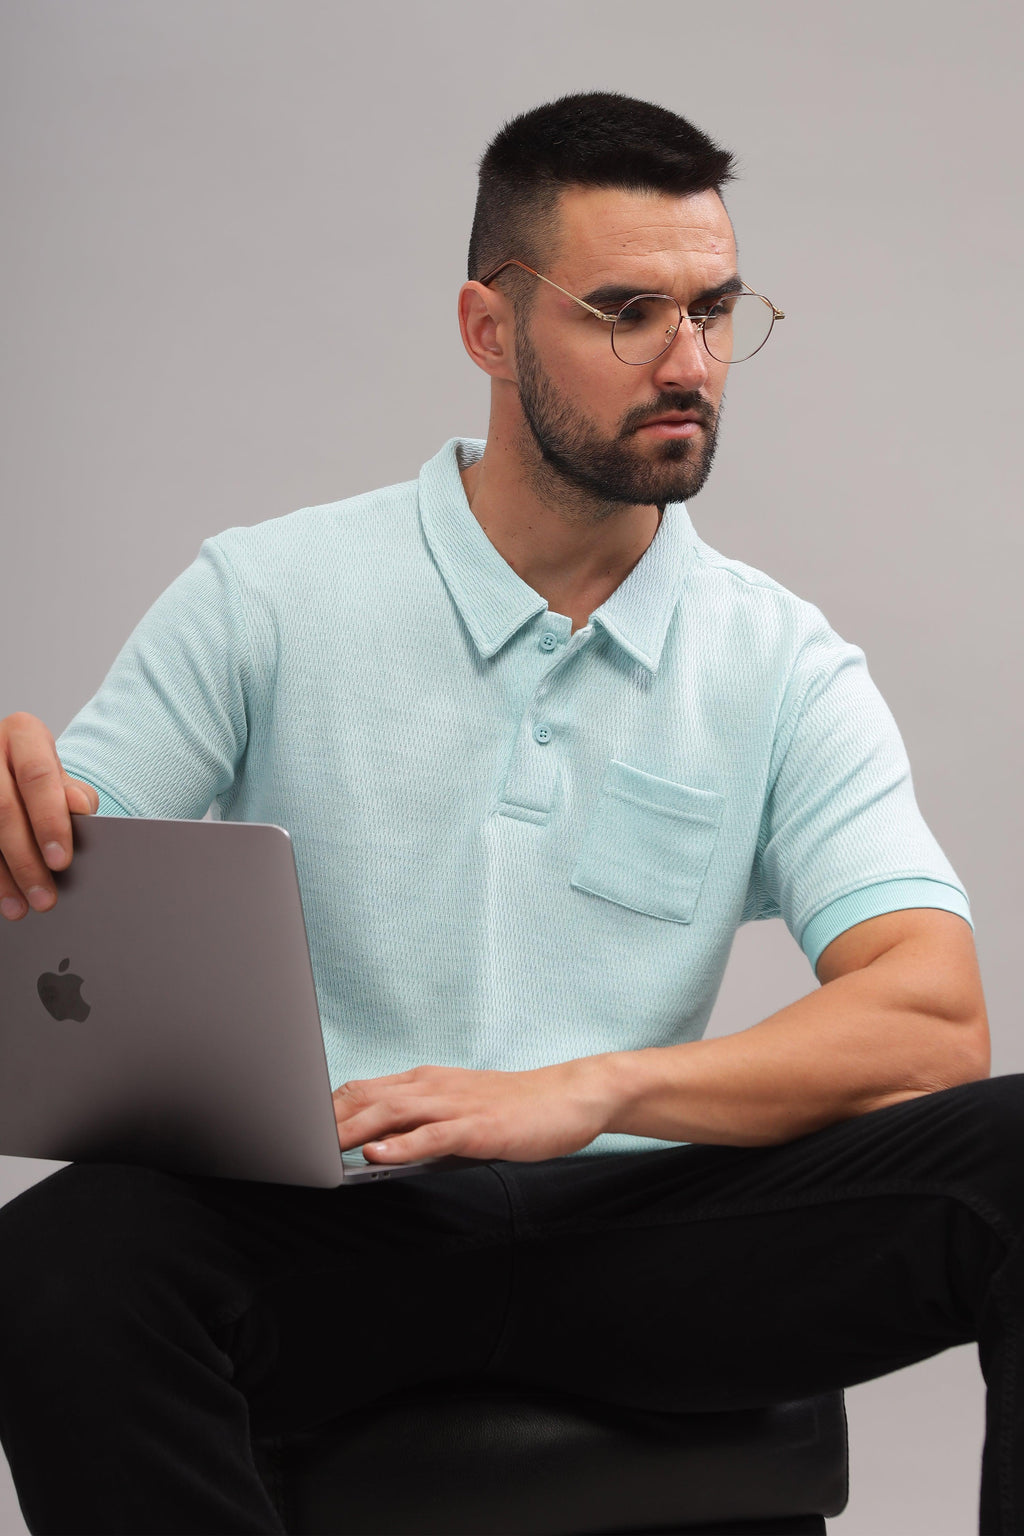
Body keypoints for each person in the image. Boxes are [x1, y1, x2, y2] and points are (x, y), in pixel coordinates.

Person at [0, 90, 1016, 1536]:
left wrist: (587, 1091)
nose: (691, 363)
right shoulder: (269, 593)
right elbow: (71, 852)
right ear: (489, 328)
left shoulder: (781, 660)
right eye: (629, 313)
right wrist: (26, 811)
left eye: (718, 311)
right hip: (344, 1222)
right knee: (63, 1259)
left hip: (641, 1233)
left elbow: (930, 1019)